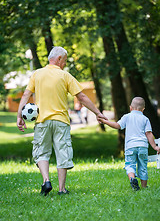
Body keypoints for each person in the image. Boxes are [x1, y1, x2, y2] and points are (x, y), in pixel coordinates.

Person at [17, 46, 107, 196]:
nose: (64, 64)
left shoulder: (37, 74)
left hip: (42, 121)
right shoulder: (65, 76)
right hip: (61, 121)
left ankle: (46, 181)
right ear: (59, 59)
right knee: (62, 153)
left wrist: (20, 116)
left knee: (41, 152)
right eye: (64, 61)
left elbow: (26, 95)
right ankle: (61, 189)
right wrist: (98, 113)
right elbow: (82, 97)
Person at [98, 97, 160, 191]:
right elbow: (148, 133)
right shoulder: (145, 119)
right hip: (143, 146)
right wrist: (155, 146)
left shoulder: (127, 117)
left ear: (131, 108)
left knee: (130, 165)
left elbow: (117, 126)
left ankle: (132, 179)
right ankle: (144, 187)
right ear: (143, 109)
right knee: (143, 166)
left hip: (130, 146)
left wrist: (105, 121)